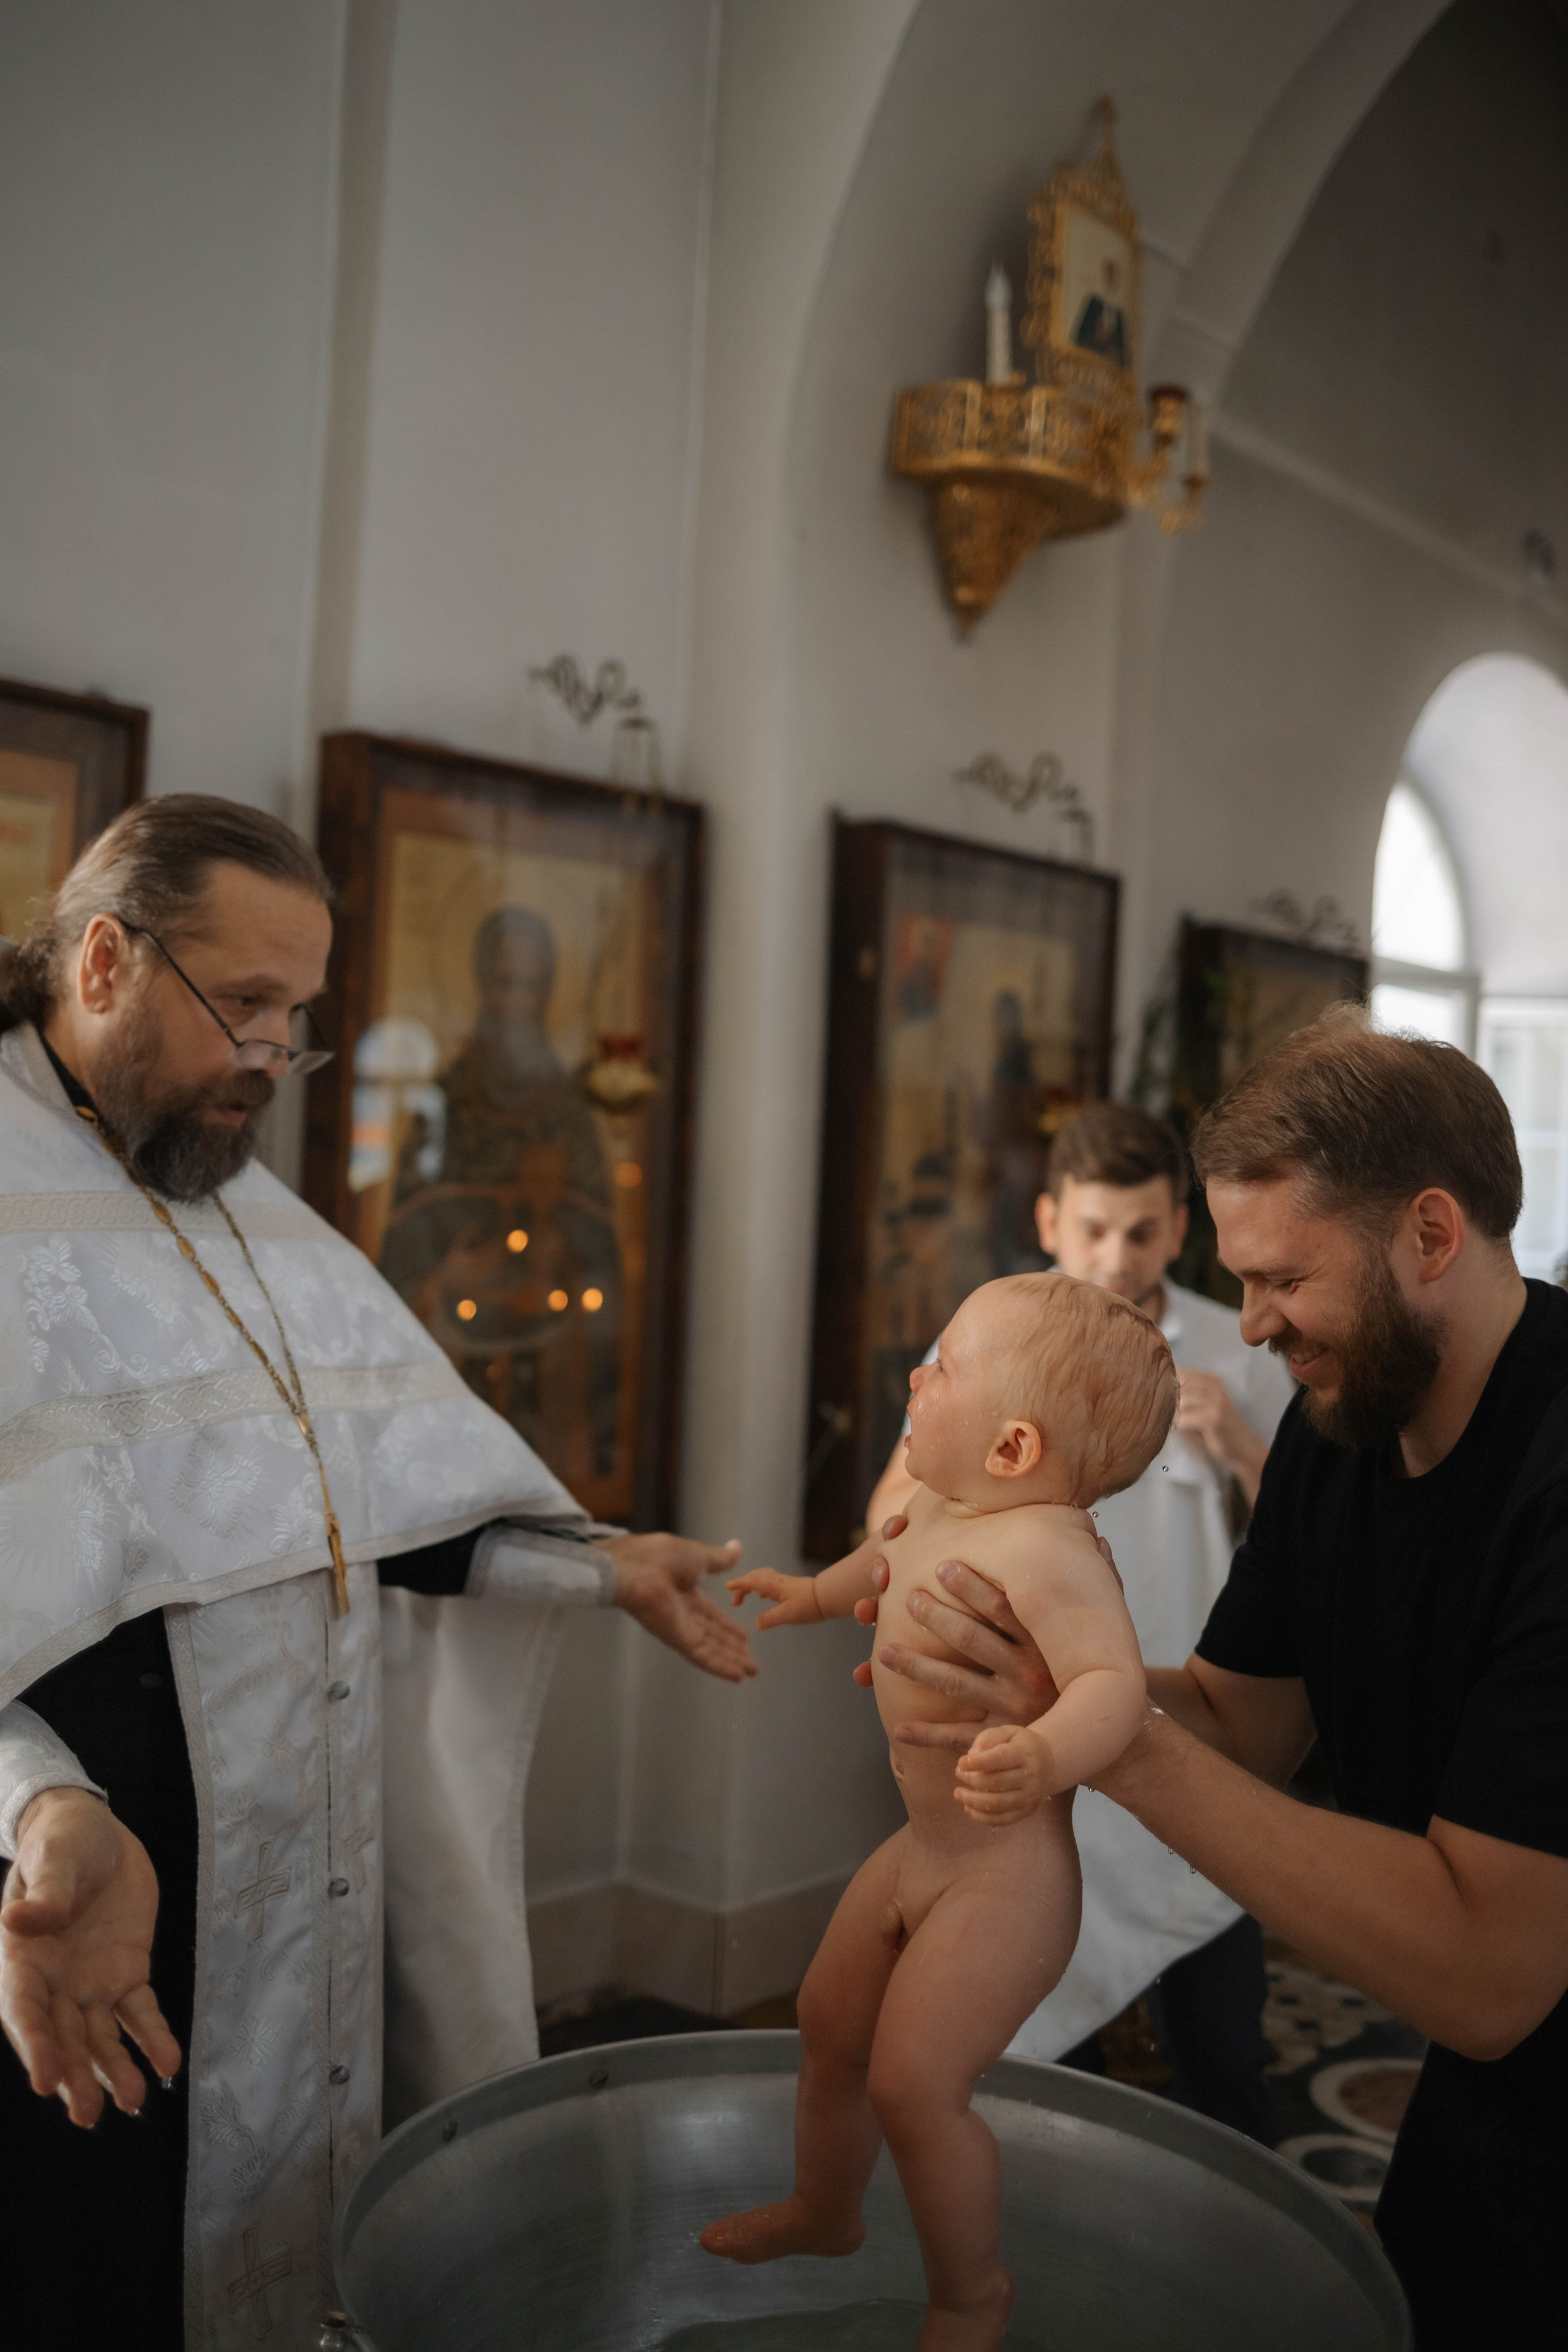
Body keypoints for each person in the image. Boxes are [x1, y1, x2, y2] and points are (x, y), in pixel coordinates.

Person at [0, 796, 755, 2351]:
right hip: (72, 1900)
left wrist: (605, 1572)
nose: (275, 1058)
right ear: (100, 960)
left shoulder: (244, 1206)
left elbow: (378, 1487)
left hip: (280, 1894)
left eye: (302, 1018)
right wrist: (43, 1802)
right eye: (249, 1007)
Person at [856, 1011, 1568, 2347]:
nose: (1246, 1329)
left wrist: (1110, 1738)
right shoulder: (1337, 1427)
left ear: (1429, 1235)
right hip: (1481, 2117)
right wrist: (1030, 1679)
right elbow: (1244, 1722)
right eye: (1236, 1279)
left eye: (1283, 1280)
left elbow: (1488, 1974)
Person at [705, 1272, 1178, 2352]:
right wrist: (813, 1594)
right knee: (829, 2026)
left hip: (1007, 1882)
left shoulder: (1052, 1557)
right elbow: (882, 1560)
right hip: (922, 1847)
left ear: (1013, 1449)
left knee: (918, 2085)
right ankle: (825, 2211)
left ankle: (971, 2296)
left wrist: (1044, 1750)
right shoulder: (940, 1505)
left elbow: (1112, 1688)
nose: (917, 1374)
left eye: (944, 1364)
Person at [865, 1104, 1294, 2138]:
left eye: (1142, 1233)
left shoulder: (1240, 1351)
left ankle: (1232, 2246)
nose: (1116, 1255)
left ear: (1177, 1232)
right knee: (1039, 2032)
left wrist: (1234, 1438)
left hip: (1180, 1713)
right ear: (1052, 1222)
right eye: (1094, 1230)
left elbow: (1312, 1541)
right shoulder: (989, 1343)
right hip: (1022, 1721)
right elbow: (892, 1516)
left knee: (1222, 2034)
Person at [379, 904, 623, 1482]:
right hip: (453, 1365)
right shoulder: (445, 1102)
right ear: (482, 984)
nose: (518, 1001)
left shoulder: (568, 1111)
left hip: (552, 1371)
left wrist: (558, 1254)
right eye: (505, 982)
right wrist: (444, 1280)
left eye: (533, 985)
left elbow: (604, 1260)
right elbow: (400, 1252)